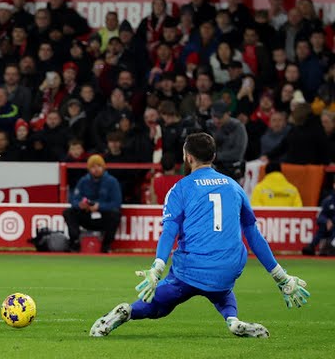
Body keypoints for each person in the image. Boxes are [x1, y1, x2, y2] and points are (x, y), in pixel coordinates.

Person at [90, 133, 311, 338]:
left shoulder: (180, 188)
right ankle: (232, 320)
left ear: (187, 157)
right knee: (222, 292)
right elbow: (253, 234)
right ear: (213, 156)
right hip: (229, 267)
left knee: (158, 306)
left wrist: (157, 268)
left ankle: (128, 312)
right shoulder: (234, 186)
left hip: (190, 269)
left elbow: (169, 231)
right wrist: (280, 277)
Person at [62, 154, 122, 253]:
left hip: (103, 216)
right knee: (68, 212)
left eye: (99, 166)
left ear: (103, 167)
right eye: (93, 167)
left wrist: (100, 206)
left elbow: (116, 203)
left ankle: (106, 245)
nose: (96, 169)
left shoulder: (112, 182)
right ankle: (75, 241)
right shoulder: (83, 181)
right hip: (86, 214)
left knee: (115, 214)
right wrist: (80, 205)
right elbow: (74, 200)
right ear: (89, 169)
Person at [302, 182, 335, 256]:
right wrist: (326, 221)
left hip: (333, 226)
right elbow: (321, 216)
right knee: (322, 228)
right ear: (334, 185)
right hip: (328, 226)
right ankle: (311, 246)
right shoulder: (328, 201)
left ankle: (331, 248)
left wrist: (332, 221)